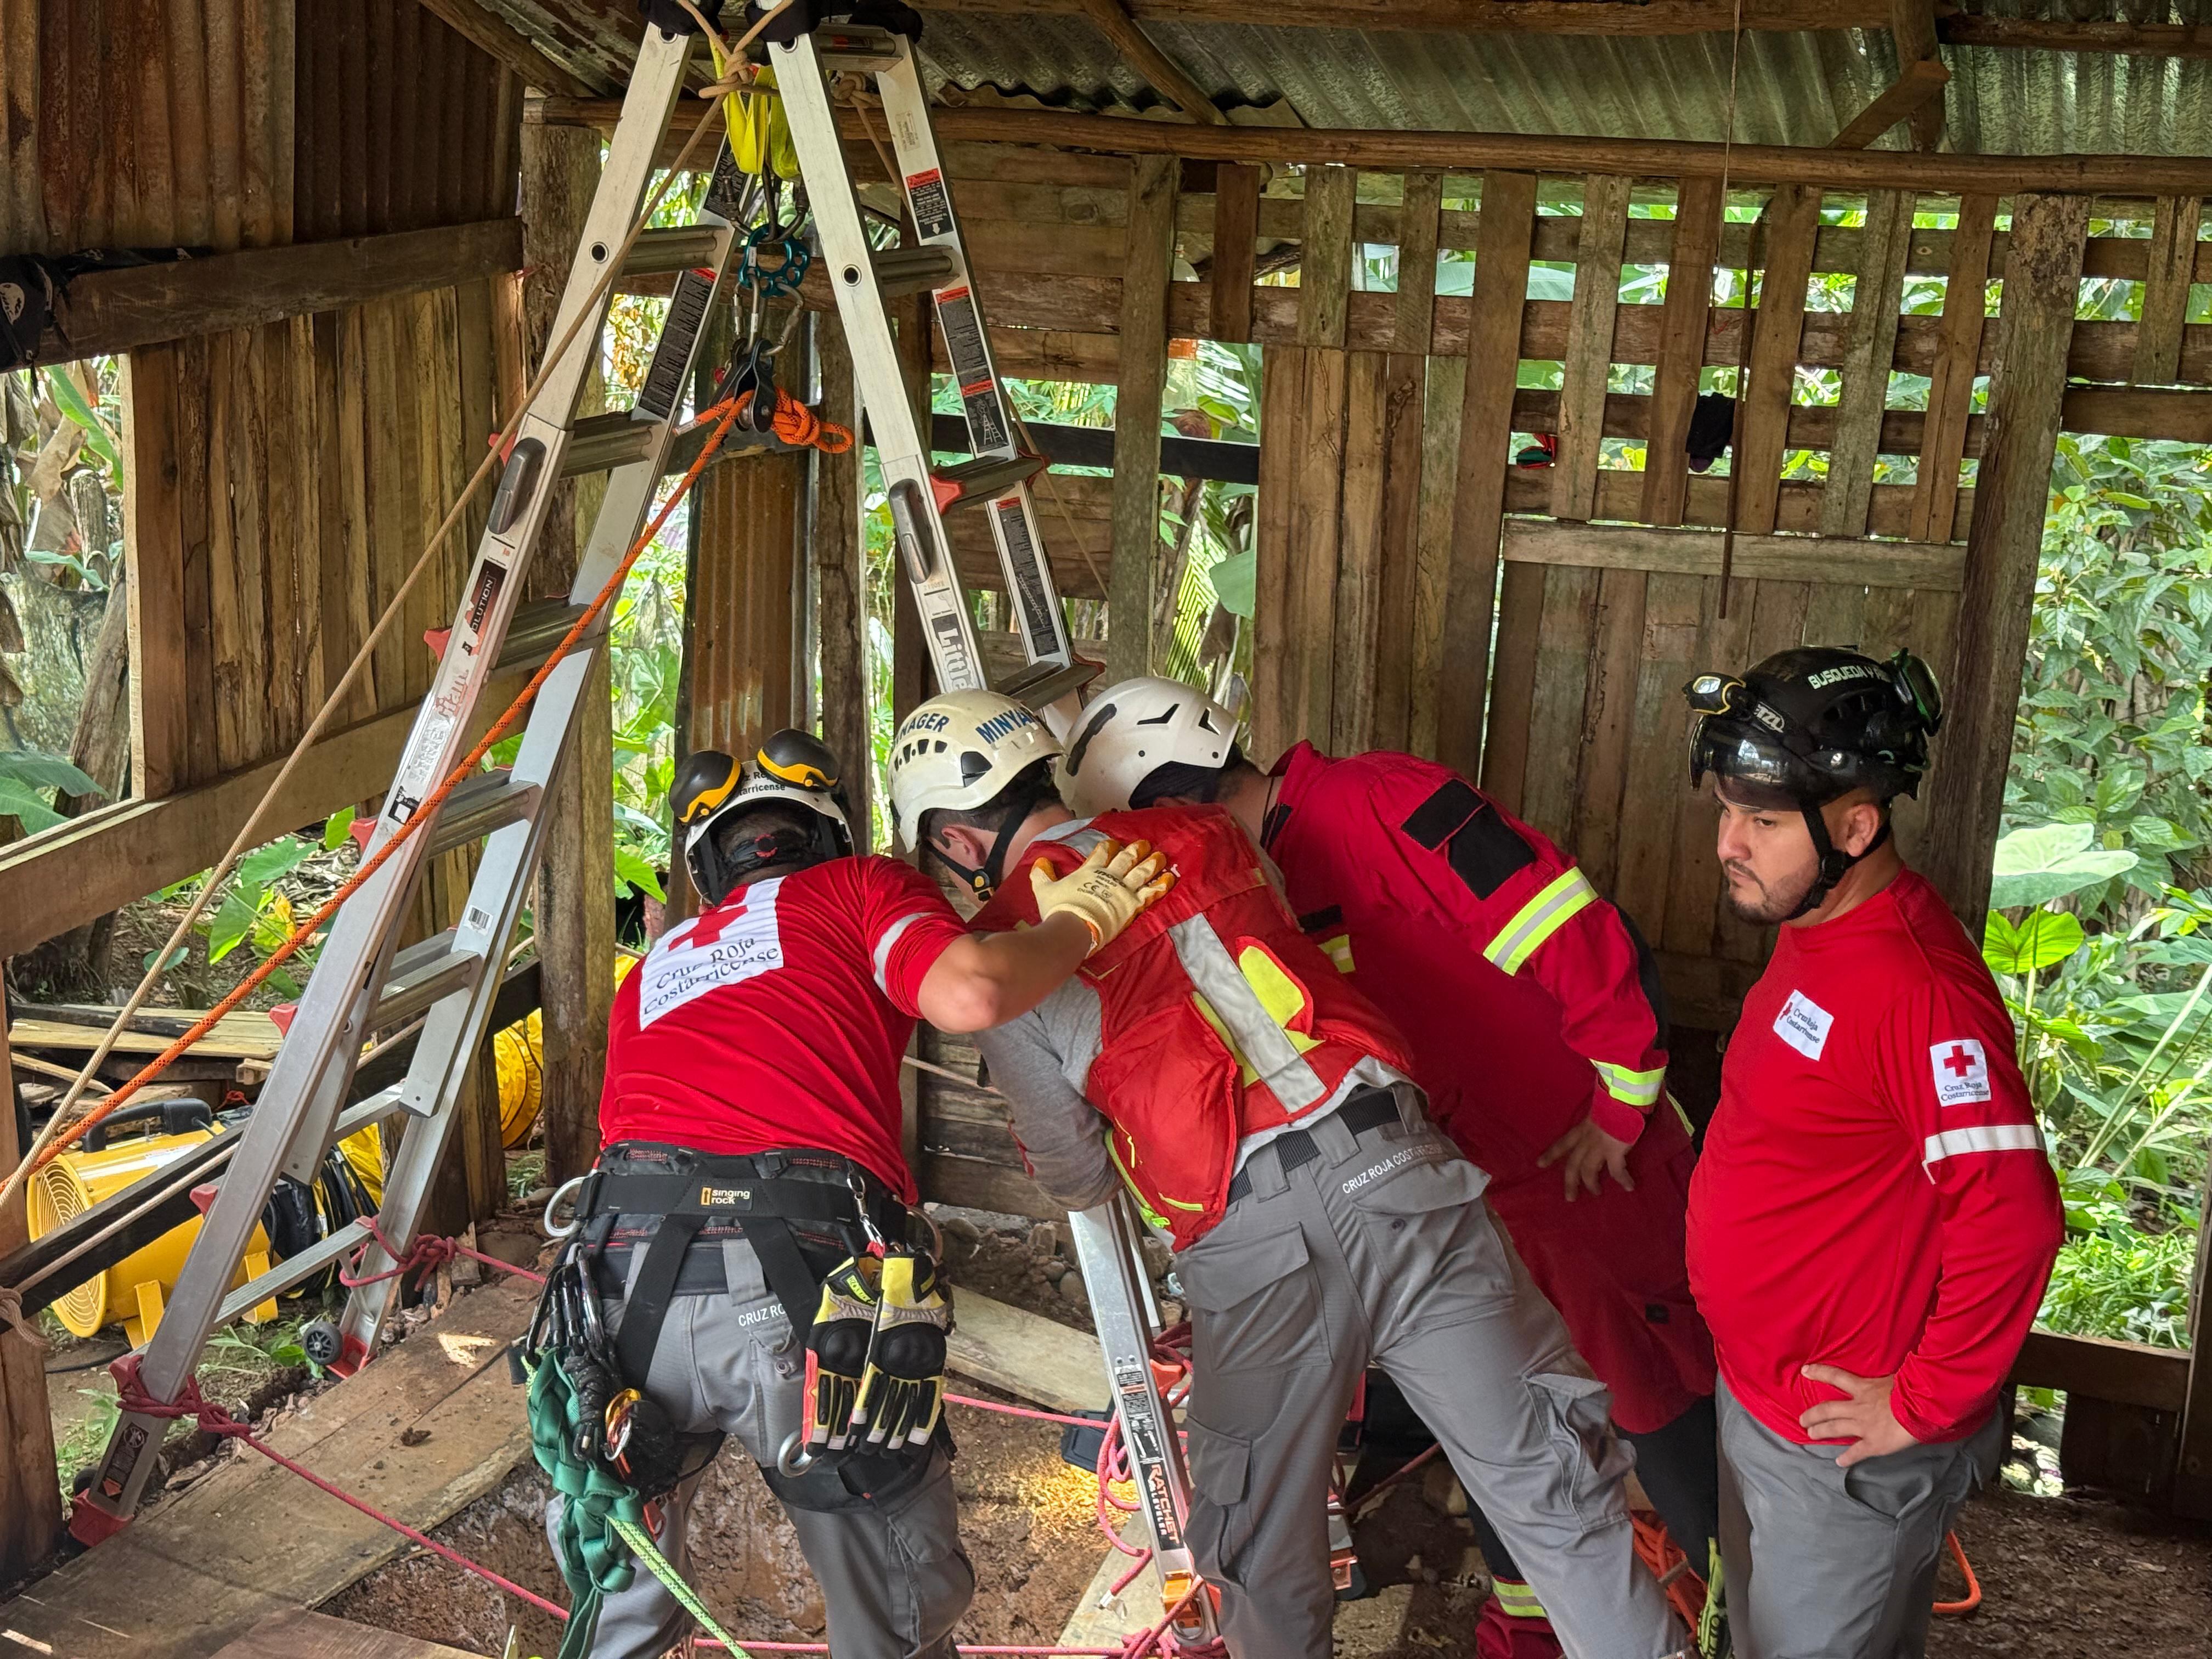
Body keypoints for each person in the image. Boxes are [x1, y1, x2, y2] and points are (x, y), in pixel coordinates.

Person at [888, 690, 1688, 1659]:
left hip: (1256, 1240)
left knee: (1262, 1556)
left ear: (961, 842)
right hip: (1411, 1169)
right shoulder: (1207, 834)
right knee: (1561, 1500)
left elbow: (1072, 1171)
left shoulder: (1011, 957)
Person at [543, 729, 1171, 1659]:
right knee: (894, 1611)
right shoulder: (858, 888)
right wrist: (1080, 920)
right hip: (798, 1289)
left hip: (619, 1290)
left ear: (704, 868)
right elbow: (969, 995)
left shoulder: (655, 970)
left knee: (623, 1597)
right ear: (829, 833)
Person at [1678, 648, 2064, 1659]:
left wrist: (1923, 1403)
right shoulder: (1818, 921)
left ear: (1857, 827)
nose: (1730, 842)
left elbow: (2015, 1218)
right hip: (1764, 1396)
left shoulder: (1922, 997)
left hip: (1843, 1445)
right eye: (1727, 809)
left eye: (1762, 821)